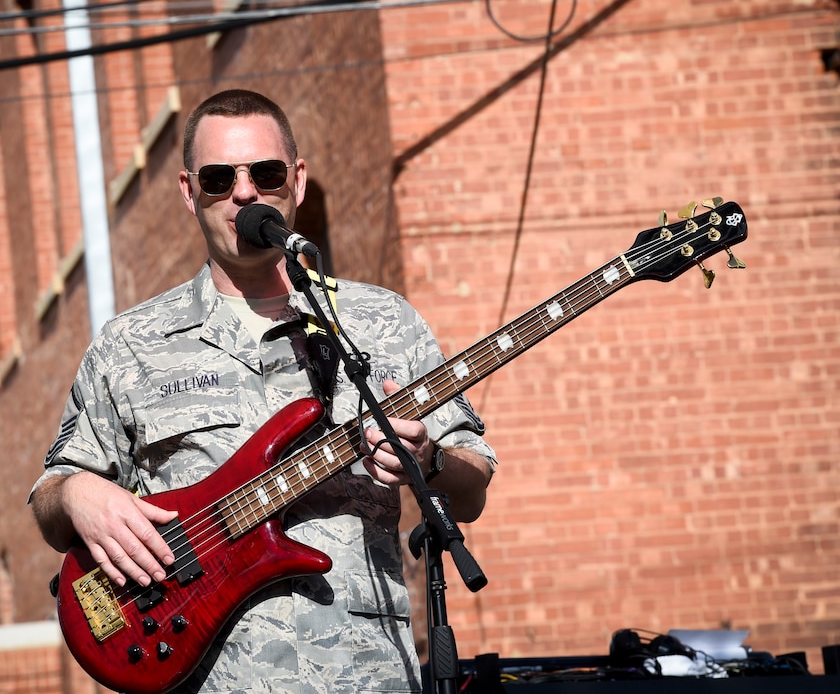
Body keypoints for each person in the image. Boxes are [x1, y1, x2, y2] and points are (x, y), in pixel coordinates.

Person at [29, 88, 496, 694]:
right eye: (219, 178)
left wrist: (428, 461)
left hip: (366, 676)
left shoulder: (379, 322)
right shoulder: (129, 346)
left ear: (296, 183)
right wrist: (77, 496)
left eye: (266, 173)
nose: (244, 193)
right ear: (188, 191)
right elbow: (48, 498)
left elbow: (472, 489)